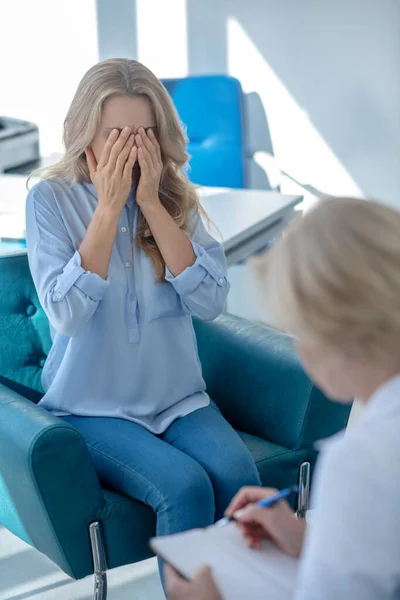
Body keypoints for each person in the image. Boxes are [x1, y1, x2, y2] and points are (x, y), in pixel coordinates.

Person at [25, 58, 261, 580]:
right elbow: (65, 312)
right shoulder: (50, 199)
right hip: (89, 406)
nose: (134, 147)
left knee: (238, 476)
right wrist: (109, 210)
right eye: (118, 134)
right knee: (185, 487)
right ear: (88, 135)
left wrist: (152, 204)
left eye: (146, 132)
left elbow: (210, 302)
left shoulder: (177, 196)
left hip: (178, 398)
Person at [166, 196, 400, 599]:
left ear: (334, 330)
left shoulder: (361, 463)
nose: (301, 351)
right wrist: (316, 542)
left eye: (297, 329)